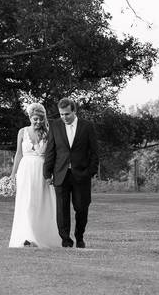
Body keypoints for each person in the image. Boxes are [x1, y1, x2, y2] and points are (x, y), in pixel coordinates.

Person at [43, 97, 100, 248]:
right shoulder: (55, 126)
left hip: (81, 175)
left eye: (67, 114)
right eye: (61, 114)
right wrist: (47, 173)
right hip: (61, 174)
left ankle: (79, 237)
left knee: (82, 207)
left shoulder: (87, 126)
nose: (64, 117)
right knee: (62, 210)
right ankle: (66, 240)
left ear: (74, 111)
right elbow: (50, 150)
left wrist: (90, 172)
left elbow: (95, 152)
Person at [7, 103, 62, 248]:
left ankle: (41, 236)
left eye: (41, 119)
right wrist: (13, 175)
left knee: (41, 203)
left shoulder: (48, 132)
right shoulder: (22, 132)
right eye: (35, 119)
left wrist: (52, 173)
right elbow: (18, 154)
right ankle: (26, 237)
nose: (38, 122)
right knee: (26, 203)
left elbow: (53, 155)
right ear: (30, 117)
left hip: (42, 172)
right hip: (25, 171)